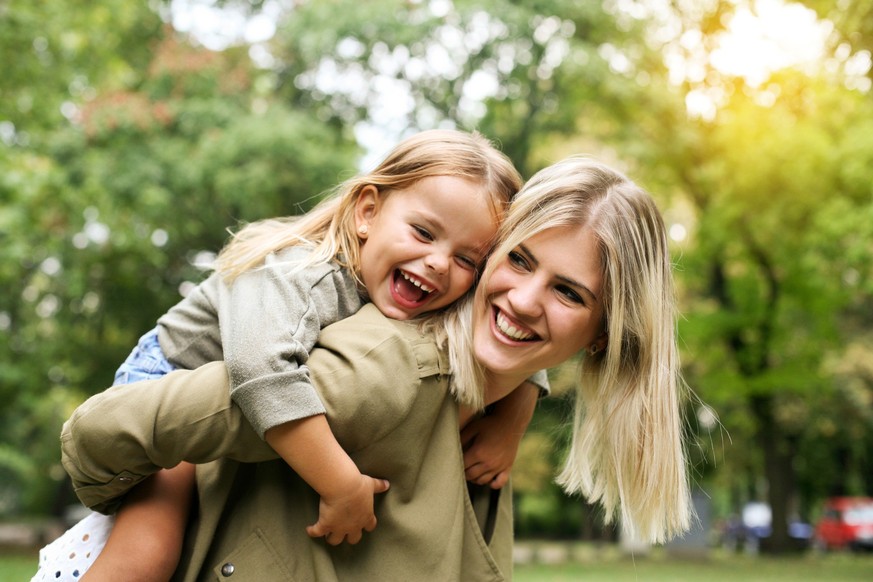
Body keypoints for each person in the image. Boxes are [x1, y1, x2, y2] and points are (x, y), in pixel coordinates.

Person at [54, 156, 693, 581]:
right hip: (170, 369)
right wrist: (338, 482)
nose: (522, 300)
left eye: (569, 292)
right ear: (367, 213)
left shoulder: (487, 390)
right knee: (145, 555)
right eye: (520, 261)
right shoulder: (360, 346)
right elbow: (133, 418)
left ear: (604, 335)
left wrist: (520, 404)